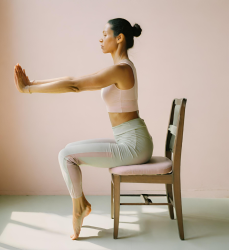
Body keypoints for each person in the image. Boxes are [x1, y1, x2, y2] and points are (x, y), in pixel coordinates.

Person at [14, 18, 153, 240]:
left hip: (134, 145)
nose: (101, 38)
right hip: (131, 140)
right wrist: (32, 83)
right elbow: (73, 79)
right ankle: (82, 204)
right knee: (69, 150)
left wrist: (28, 90)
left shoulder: (121, 69)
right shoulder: (119, 68)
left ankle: (79, 207)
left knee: (66, 155)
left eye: (105, 34)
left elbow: (75, 86)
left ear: (119, 38)